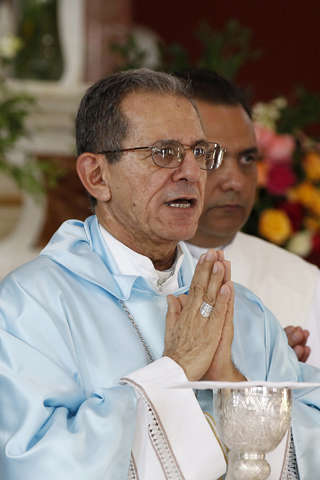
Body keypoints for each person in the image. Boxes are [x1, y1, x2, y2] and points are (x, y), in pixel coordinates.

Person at [1, 69, 320, 480]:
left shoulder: (245, 312)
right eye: (164, 153)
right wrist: (178, 369)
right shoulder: (31, 306)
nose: (191, 172)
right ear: (97, 176)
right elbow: (36, 464)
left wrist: (230, 382)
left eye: (200, 153)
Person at [175, 68, 320, 367]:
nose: (235, 182)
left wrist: (282, 385)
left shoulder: (305, 286)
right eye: (210, 156)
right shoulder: (122, 272)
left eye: (247, 159)